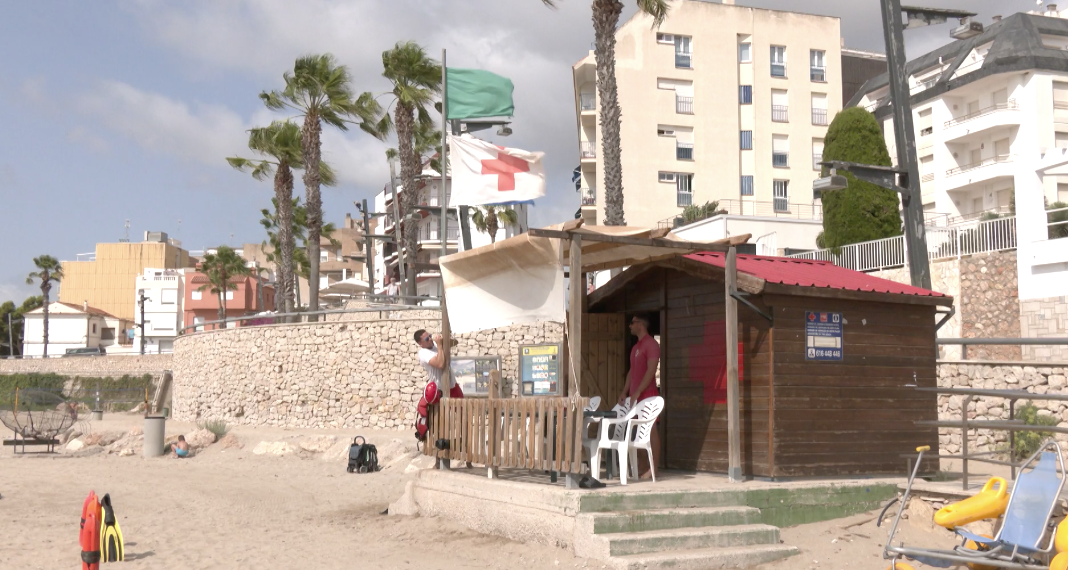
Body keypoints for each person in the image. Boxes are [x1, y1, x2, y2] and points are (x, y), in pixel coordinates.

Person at [617, 314, 661, 479]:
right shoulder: (636, 347)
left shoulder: (651, 344)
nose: (630, 326)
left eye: (632, 323)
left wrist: (637, 392)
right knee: (636, 431)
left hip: (648, 395)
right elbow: (631, 372)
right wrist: (625, 391)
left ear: (640, 324)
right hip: (635, 396)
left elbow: (651, 371)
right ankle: (642, 467)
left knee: (651, 430)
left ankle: (654, 468)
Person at [413, 329, 463, 398]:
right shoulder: (423, 353)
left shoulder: (435, 344)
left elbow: (454, 342)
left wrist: (446, 337)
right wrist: (440, 346)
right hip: (440, 389)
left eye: (430, 336)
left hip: (452, 385)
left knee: (463, 407)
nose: (430, 339)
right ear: (420, 343)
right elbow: (440, 364)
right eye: (427, 339)